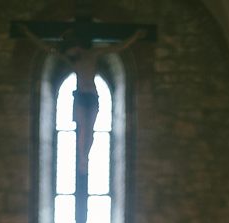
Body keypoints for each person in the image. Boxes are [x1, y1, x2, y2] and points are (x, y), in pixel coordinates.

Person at [20, 24, 146, 173]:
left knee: (90, 129)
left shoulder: (93, 55)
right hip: (80, 96)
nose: (70, 54)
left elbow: (117, 47)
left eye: (71, 50)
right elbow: (46, 48)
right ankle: (82, 159)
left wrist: (135, 36)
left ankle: (86, 156)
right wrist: (28, 33)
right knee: (82, 129)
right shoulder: (71, 59)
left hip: (92, 96)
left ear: (76, 46)